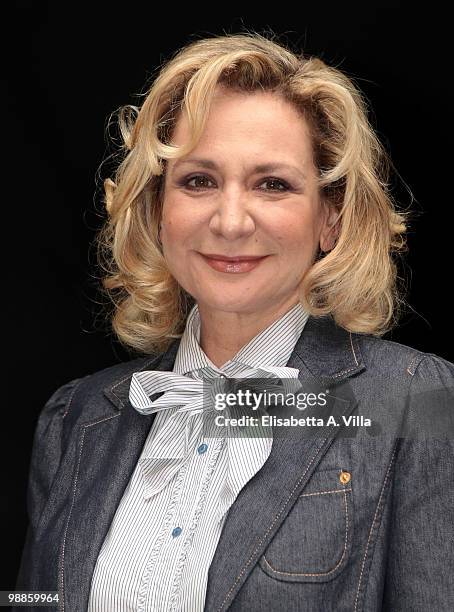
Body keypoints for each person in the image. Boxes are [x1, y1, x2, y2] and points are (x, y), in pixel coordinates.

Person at [15, 31, 454, 612]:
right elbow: (30, 600)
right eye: (198, 181)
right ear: (158, 208)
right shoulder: (74, 417)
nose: (229, 221)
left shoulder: (421, 402)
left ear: (331, 218)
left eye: (272, 184)